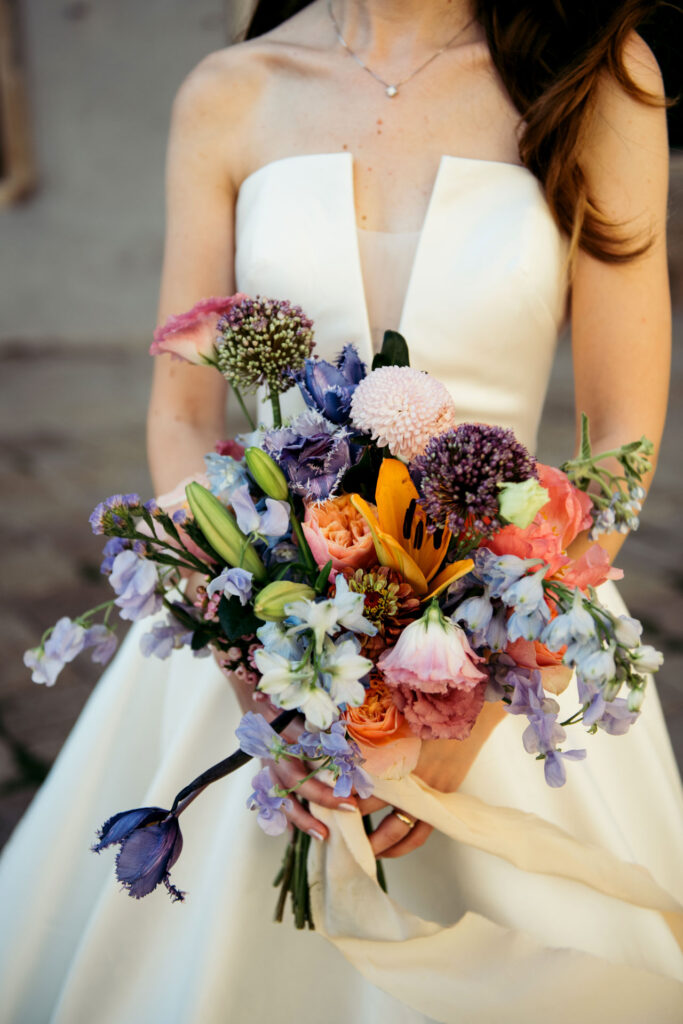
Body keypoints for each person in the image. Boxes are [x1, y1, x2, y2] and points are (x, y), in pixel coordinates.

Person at [0, 1, 681, 1021]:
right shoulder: (231, 92)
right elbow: (182, 413)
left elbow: (619, 424)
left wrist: (487, 700)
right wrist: (251, 667)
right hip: (269, 629)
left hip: (508, 622)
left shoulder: (595, 74)